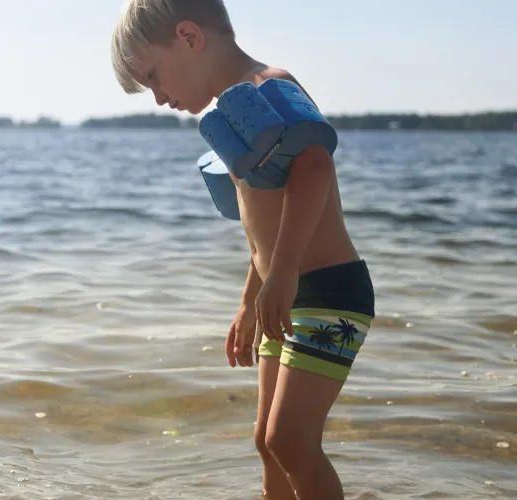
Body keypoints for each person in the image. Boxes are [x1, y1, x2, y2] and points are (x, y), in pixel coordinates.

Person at [109, 1, 375, 499]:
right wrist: (251, 295)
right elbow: (263, 230)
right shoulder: (233, 119)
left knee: (291, 439)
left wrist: (284, 274)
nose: (160, 99)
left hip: (330, 290)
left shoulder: (267, 84)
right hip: (285, 291)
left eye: (154, 78)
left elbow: (315, 169)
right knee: (266, 441)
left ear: (189, 37)